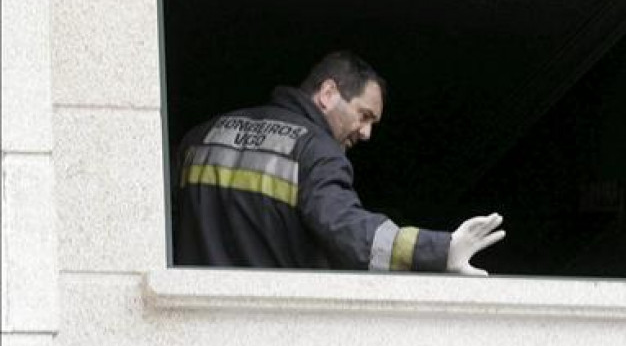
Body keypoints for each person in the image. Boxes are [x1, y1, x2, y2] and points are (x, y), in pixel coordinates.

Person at [173, 50, 505, 275]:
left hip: (192, 329)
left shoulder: (201, 137)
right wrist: (442, 249)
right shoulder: (316, 150)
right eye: (364, 116)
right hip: (267, 331)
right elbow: (346, 230)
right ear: (328, 93)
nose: (366, 133)